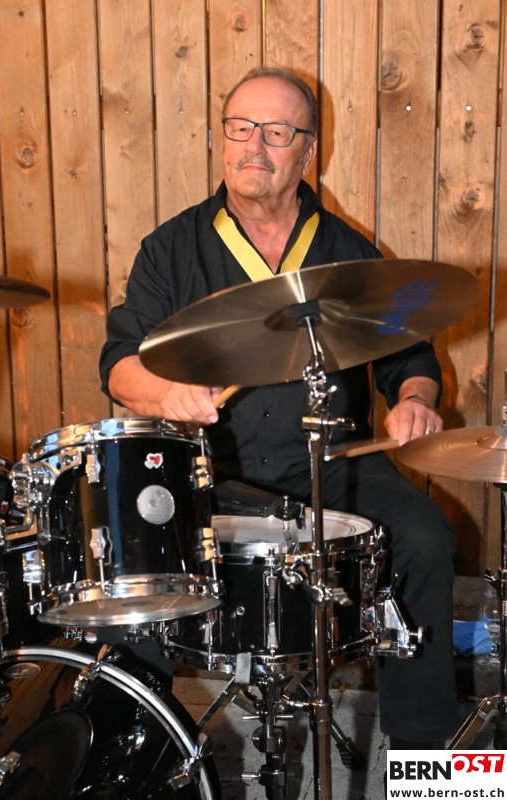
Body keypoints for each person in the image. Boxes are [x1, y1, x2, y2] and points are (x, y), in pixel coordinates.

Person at [99, 66, 460, 751]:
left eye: (276, 131)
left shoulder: (346, 253)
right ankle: (136, 753)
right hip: (208, 470)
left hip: (332, 465)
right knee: (136, 547)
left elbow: (408, 354)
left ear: (308, 151)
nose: (254, 146)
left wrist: (415, 399)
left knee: (424, 537)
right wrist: (165, 392)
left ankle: (424, 759)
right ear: (221, 138)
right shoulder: (170, 250)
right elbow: (119, 364)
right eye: (240, 128)